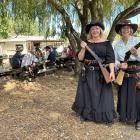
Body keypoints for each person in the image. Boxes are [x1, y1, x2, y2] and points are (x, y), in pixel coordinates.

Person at [72, 21, 116, 124]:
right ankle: (87, 114)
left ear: (100, 30)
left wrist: (112, 71)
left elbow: (111, 59)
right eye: (92, 29)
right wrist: (83, 48)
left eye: (97, 28)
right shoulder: (86, 43)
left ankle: (105, 116)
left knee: (104, 95)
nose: (95, 30)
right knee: (87, 94)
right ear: (90, 32)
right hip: (88, 72)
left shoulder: (106, 43)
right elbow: (80, 58)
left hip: (102, 72)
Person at [114, 20, 140, 130]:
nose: (126, 30)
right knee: (122, 94)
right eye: (123, 28)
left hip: (137, 72)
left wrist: (137, 54)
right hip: (123, 73)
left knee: (137, 96)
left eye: (128, 28)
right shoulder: (117, 44)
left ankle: (138, 120)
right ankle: (122, 116)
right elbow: (114, 60)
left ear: (131, 30)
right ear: (120, 31)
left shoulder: (138, 41)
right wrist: (119, 65)